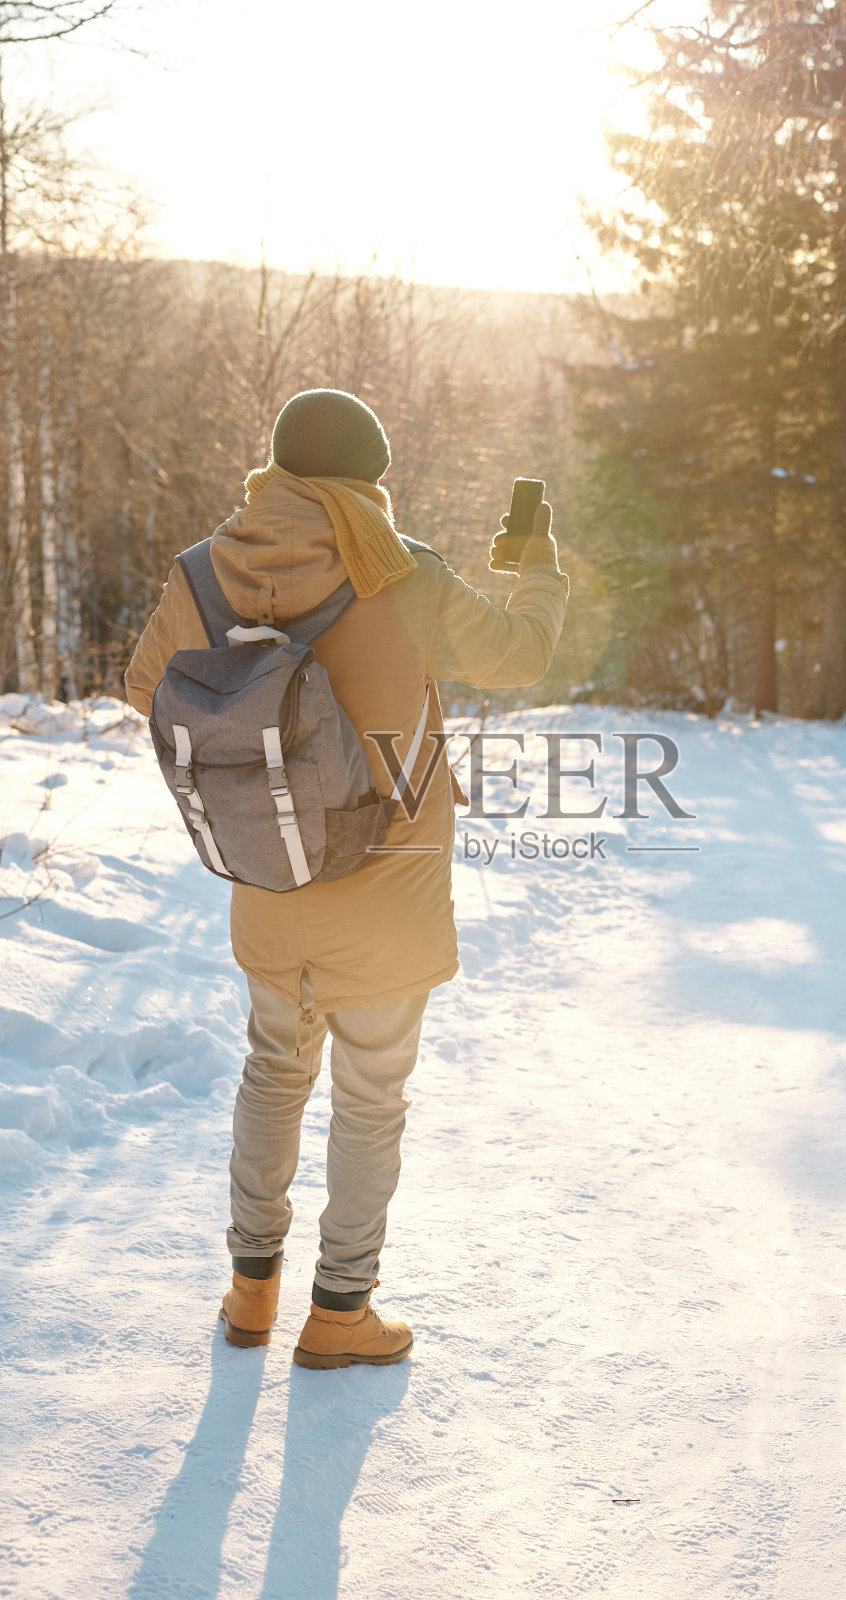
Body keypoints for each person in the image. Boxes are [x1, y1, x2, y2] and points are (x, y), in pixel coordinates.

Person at [124, 388, 569, 1368]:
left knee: (273, 1069)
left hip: (268, 875)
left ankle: (250, 1294)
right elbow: (523, 654)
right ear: (369, 483)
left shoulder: (203, 574)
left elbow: (142, 686)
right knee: (370, 1097)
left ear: (276, 471)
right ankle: (339, 1312)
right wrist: (537, 567)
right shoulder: (406, 576)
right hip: (386, 892)